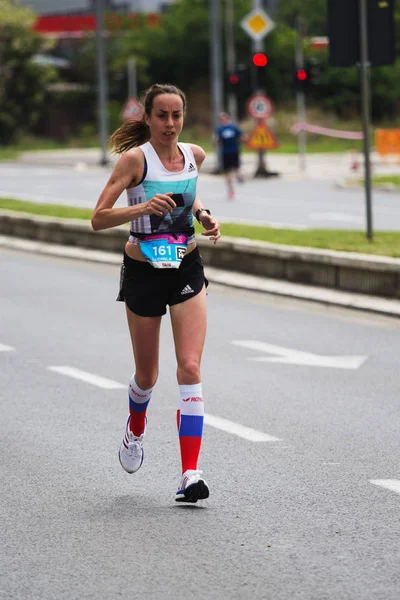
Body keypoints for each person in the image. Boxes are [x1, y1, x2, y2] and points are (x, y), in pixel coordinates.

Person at [91, 83, 220, 504]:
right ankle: (136, 427)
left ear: (184, 117)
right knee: (148, 376)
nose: (170, 124)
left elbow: (189, 190)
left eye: (176, 115)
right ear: (147, 118)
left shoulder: (194, 156)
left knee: (190, 366)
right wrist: (141, 208)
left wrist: (201, 214)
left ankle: (189, 473)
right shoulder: (135, 160)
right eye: (161, 116)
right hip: (143, 272)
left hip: (186, 265)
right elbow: (98, 218)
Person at [214, 111, 246, 200]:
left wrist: (240, 141)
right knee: (227, 172)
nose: (223, 120)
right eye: (221, 119)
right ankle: (231, 190)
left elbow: (242, 136)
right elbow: (217, 140)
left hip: (234, 151)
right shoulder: (219, 129)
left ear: (228, 118)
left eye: (224, 118)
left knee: (236, 168)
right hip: (225, 153)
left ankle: (239, 176)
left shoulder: (234, 127)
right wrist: (217, 142)